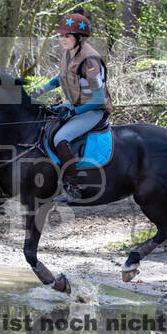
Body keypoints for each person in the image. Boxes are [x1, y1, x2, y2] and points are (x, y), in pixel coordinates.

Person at [31, 13, 113, 202]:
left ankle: (72, 186)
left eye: (67, 36)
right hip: (75, 104)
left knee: (61, 137)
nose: (63, 39)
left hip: (93, 109)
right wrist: (38, 92)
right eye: (62, 36)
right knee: (45, 121)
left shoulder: (90, 61)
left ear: (79, 37)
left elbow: (99, 98)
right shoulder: (70, 53)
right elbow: (61, 78)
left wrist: (73, 112)